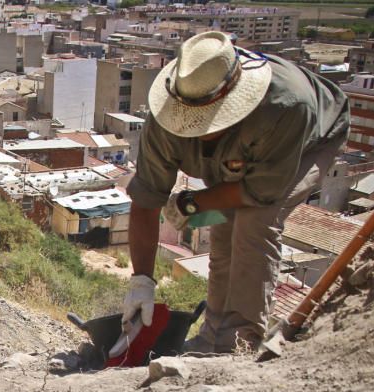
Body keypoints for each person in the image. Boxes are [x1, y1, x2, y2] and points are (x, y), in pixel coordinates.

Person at [123, 31, 349, 353]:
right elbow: (146, 201)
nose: (199, 131)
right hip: (241, 156)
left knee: (255, 221)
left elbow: (257, 193)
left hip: (310, 141)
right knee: (224, 226)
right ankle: (211, 338)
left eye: (208, 122)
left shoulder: (285, 107)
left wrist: (192, 202)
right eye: (190, 121)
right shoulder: (166, 119)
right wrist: (141, 282)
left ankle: (239, 343)